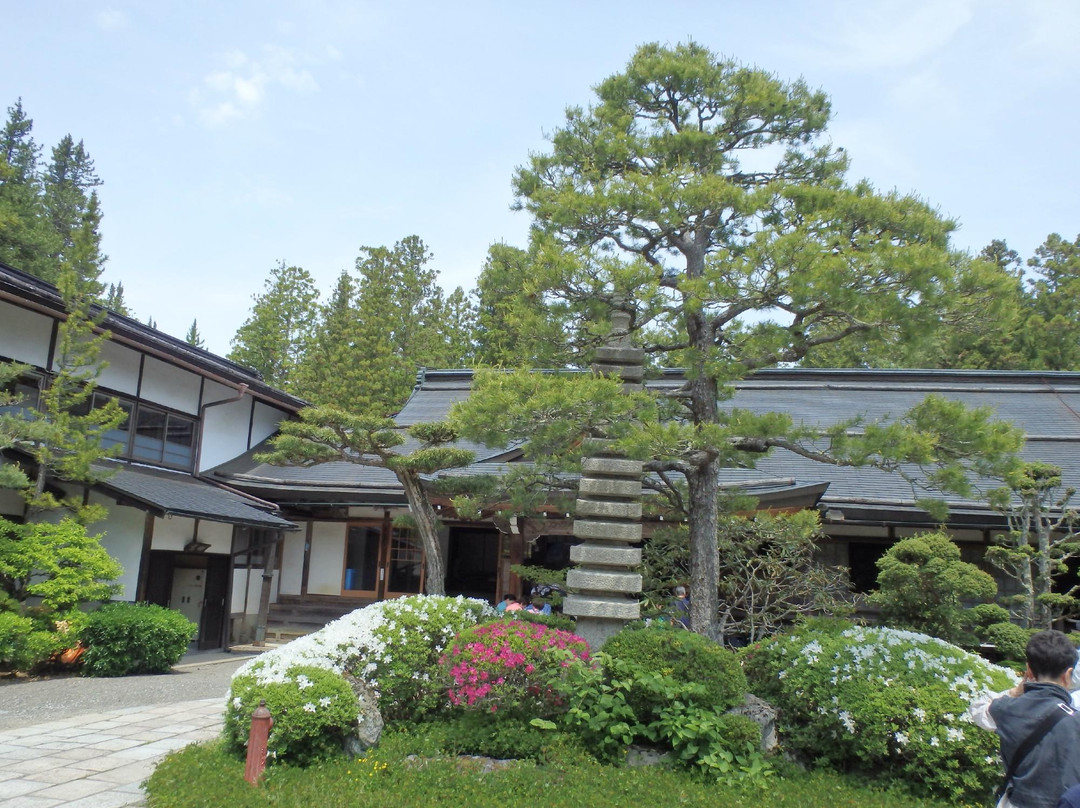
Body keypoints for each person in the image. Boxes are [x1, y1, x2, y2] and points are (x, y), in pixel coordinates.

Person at [968, 630, 1080, 808]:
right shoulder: (1075, 719)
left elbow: (978, 708)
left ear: (1028, 669)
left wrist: (1015, 692)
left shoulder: (1008, 709)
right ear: (1068, 674)